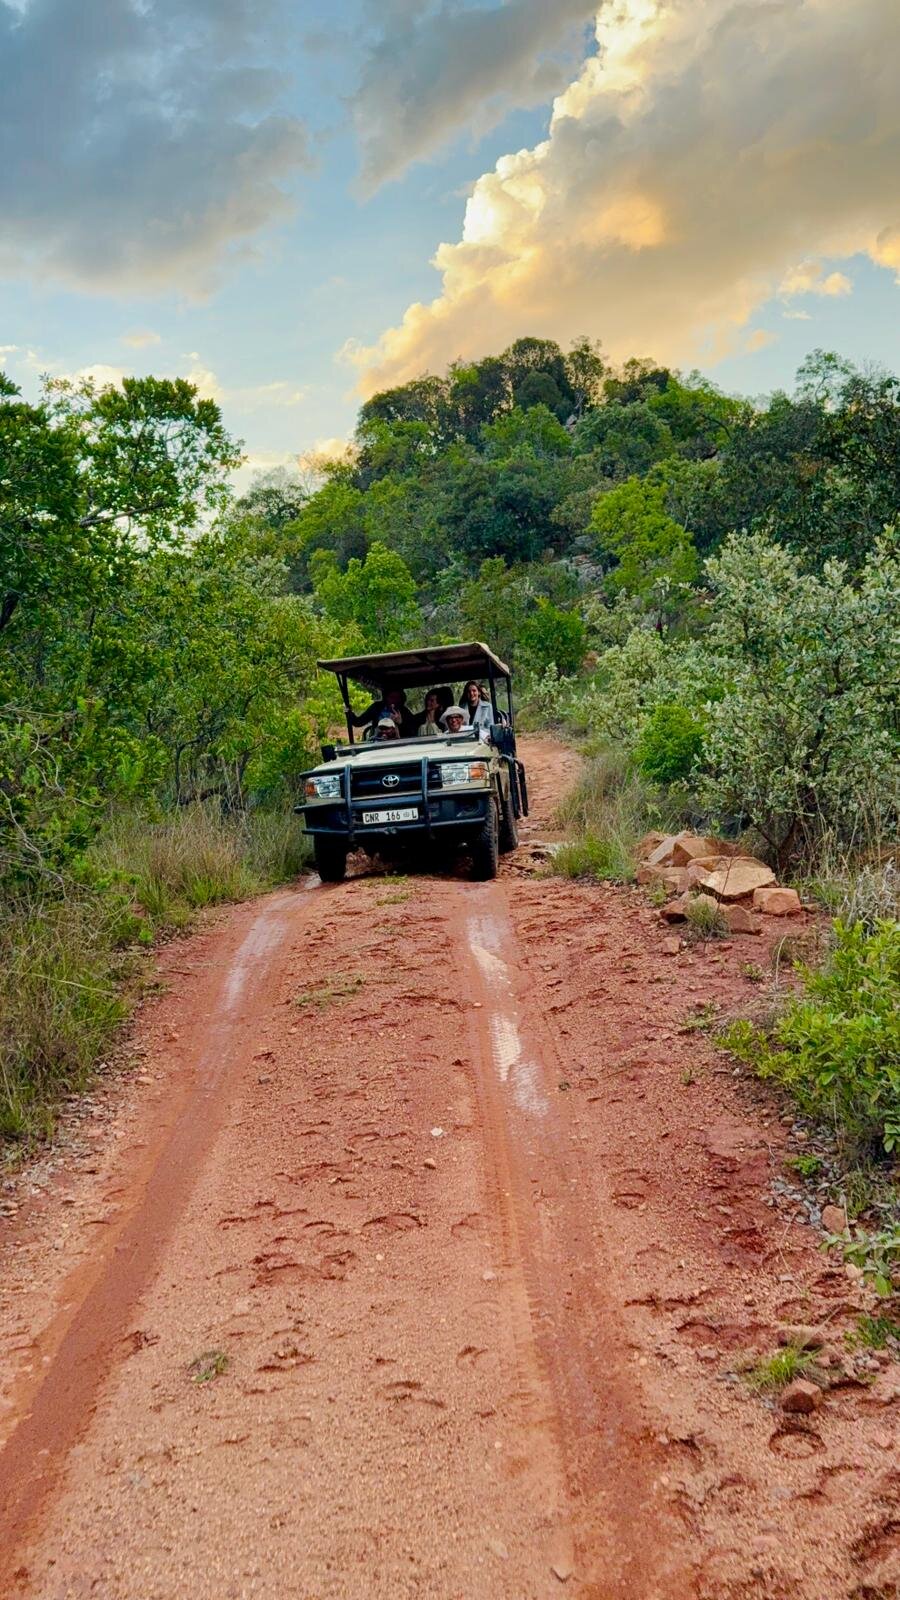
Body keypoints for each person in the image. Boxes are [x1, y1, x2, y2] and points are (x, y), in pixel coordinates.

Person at [350, 686, 416, 738]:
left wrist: (400, 723)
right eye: (392, 697)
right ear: (386, 697)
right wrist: (349, 712)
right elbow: (358, 722)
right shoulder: (377, 707)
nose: (394, 700)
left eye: (397, 698)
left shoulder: (404, 711)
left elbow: (412, 731)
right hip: (378, 741)